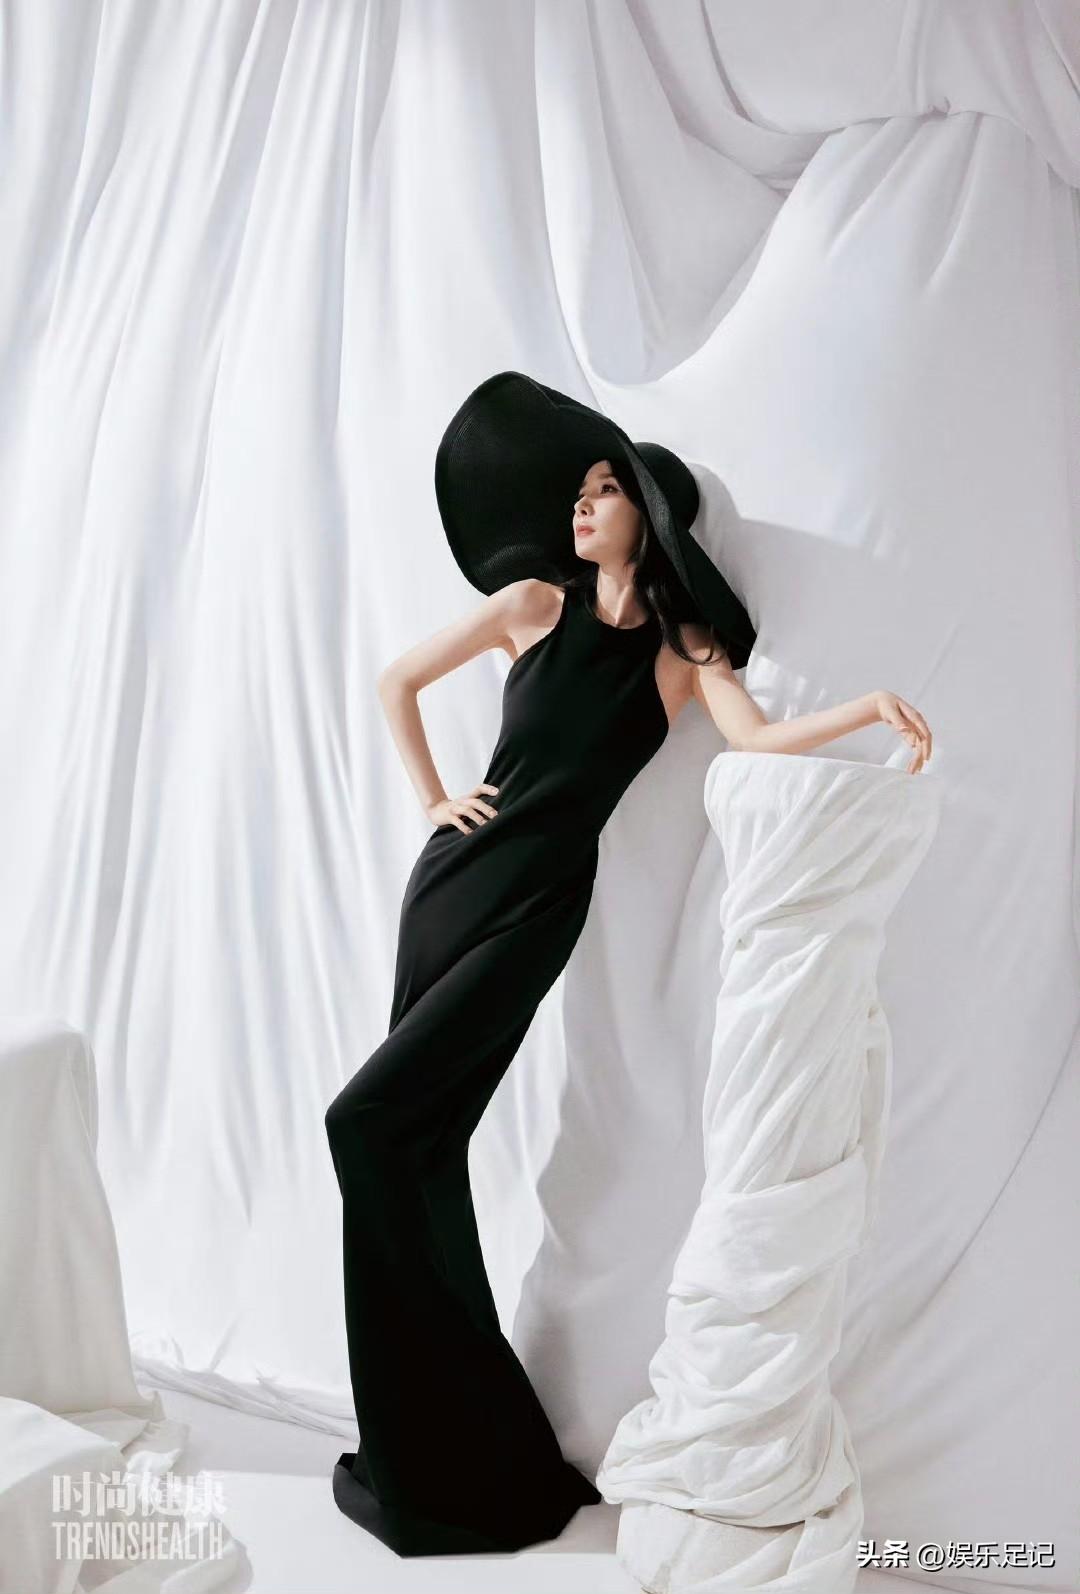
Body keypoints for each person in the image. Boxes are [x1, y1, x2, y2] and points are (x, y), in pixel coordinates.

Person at [323, 371, 932, 1559]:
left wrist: (864, 706)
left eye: (602, 490)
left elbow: (758, 737)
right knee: (413, 1151)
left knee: (373, 1128)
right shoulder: (531, 604)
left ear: (645, 514)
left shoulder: (675, 651)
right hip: (452, 886)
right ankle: (432, 1454)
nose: (581, 504)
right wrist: (436, 797)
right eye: (580, 491)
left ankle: (452, 1450)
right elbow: (396, 680)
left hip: (537, 905)